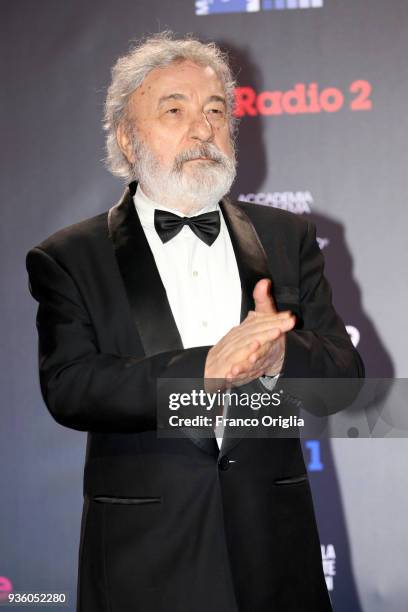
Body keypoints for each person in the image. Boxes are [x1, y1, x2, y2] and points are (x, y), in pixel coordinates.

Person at [26, 33, 364, 612]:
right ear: (128, 138)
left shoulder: (286, 238)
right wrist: (200, 371)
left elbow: (344, 378)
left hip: (276, 556)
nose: (203, 128)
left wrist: (282, 357)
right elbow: (71, 387)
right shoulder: (69, 255)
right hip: (145, 562)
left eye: (215, 111)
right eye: (175, 109)